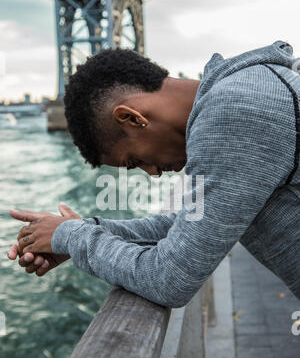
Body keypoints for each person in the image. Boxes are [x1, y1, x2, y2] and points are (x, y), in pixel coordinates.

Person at [8, 41, 300, 307]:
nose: (153, 173)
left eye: (134, 161)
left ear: (132, 118)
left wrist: (74, 237)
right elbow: (192, 220)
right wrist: (81, 231)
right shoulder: (245, 92)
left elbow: (170, 281)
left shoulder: (232, 113)